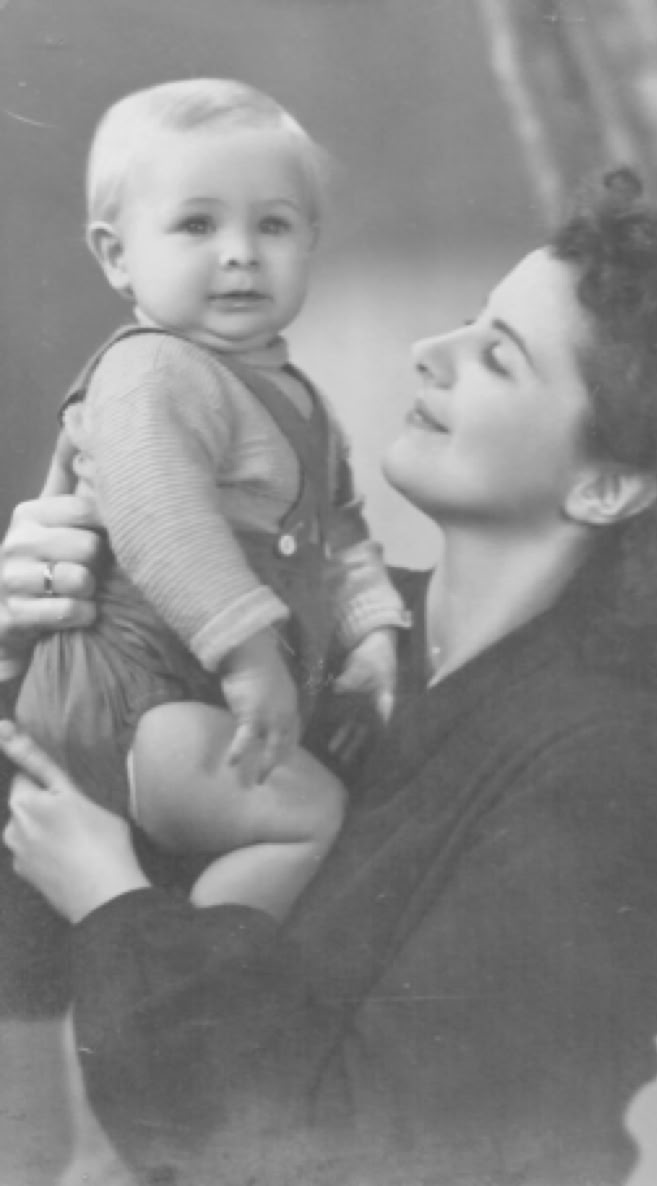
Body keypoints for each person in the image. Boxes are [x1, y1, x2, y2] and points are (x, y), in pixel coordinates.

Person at [0, 170, 657, 1186]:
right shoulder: (302, 619)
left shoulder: (602, 780)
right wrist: (33, 654)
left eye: (499, 356)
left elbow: (363, 1156)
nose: (433, 350)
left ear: (606, 486)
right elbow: (23, 949)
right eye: (470, 320)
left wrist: (112, 902)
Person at [10, 78, 408, 919]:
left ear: (310, 241)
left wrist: (371, 631)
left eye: (274, 225)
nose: (240, 253)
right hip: (128, 697)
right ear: (117, 256)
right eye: (198, 224)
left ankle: (170, 938)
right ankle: (179, 962)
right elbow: (164, 526)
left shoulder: (299, 397)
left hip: (198, 695)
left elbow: (339, 532)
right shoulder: (149, 372)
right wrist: (250, 658)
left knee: (312, 809)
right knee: (309, 817)